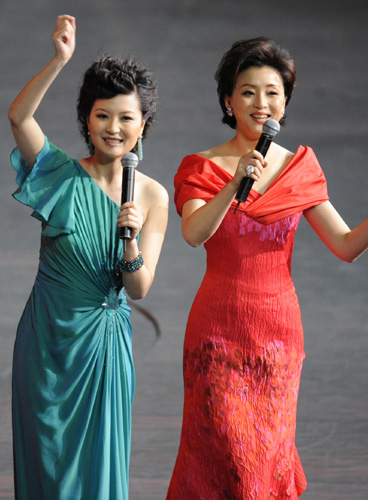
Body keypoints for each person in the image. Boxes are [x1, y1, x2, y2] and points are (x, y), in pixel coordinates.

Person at [166, 37, 368, 499]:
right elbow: (194, 232)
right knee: (227, 453)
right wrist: (236, 178)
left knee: (263, 456)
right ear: (228, 100)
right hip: (216, 336)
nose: (262, 103)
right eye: (249, 91)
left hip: (277, 338)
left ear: (286, 100)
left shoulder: (300, 169)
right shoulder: (201, 166)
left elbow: (345, 246)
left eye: (273, 92)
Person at [8, 15, 168, 500]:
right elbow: (18, 117)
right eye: (102, 115)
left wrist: (130, 239)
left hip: (103, 349)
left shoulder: (153, 196)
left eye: (126, 117)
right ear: (86, 119)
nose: (113, 128)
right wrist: (60, 59)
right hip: (46, 344)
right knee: (46, 467)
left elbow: (139, 288)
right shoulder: (58, 173)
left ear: (143, 125)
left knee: (99, 474)